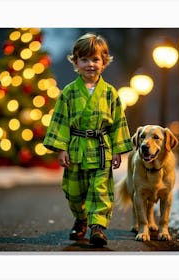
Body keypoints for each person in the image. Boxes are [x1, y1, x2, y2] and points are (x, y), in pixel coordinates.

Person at [43, 33, 133, 246]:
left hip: (101, 149)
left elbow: (118, 122)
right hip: (76, 149)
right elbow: (61, 121)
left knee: (100, 190)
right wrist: (61, 149)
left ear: (104, 63)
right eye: (84, 59)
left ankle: (97, 228)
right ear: (76, 62)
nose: (90, 64)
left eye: (95, 59)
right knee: (74, 192)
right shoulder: (69, 93)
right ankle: (81, 218)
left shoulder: (110, 93)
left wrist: (118, 150)